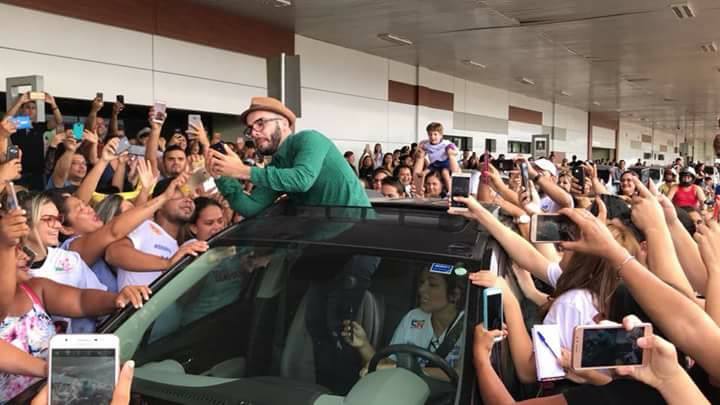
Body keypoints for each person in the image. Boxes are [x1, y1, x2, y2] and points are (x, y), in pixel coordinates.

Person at [0, 208, 150, 403]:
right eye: (13, 249)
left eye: (20, 247)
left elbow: (81, 300)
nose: (25, 255)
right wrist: (52, 369)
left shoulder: (35, 288)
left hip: (62, 394)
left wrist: (115, 299)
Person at [204, 97, 370, 217]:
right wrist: (221, 175)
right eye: (250, 128)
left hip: (358, 238)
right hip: (321, 242)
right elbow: (251, 207)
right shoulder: (277, 167)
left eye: (260, 123)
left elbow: (302, 179)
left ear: (284, 123)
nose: (254, 132)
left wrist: (242, 170)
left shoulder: (310, 139)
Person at [342, 268, 465, 380]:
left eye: (432, 285)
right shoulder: (413, 317)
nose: (421, 290)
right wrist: (363, 345)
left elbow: (460, 374)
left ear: (454, 294)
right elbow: (387, 365)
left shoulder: (468, 326)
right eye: (422, 283)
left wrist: (403, 369)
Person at [105, 176, 208, 290]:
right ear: (160, 203)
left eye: (190, 196)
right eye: (179, 195)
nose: (188, 200)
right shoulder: (144, 226)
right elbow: (114, 254)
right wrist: (167, 263)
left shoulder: (182, 247)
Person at [4, 92, 64, 191]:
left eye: (33, 108)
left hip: (38, 174)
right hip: (19, 173)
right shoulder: (16, 124)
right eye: (27, 107)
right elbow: (5, 121)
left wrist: (53, 104)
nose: (31, 110)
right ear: (22, 110)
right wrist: (20, 102)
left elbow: (59, 121)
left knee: (37, 201)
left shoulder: (39, 126)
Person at [413, 122, 459, 195]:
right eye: (430, 134)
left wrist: (451, 152)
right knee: (422, 173)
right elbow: (418, 151)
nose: (432, 137)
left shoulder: (446, 143)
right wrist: (419, 150)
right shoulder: (426, 144)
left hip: (444, 163)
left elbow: (455, 151)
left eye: (435, 134)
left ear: (441, 135)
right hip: (434, 164)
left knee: (445, 173)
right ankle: (420, 190)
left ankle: (450, 191)